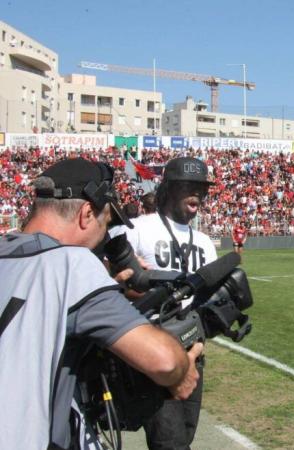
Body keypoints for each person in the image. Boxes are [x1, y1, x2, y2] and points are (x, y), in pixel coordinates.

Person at [0, 158, 202, 450]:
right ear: (86, 214)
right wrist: (183, 369)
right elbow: (163, 361)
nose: (104, 237)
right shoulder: (72, 264)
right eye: (106, 223)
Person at [117, 156, 217, 450]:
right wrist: (134, 285)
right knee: (169, 443)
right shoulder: (136, 229)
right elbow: (111, 278)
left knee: (184, 435)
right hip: (155, 348)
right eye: (189, 186)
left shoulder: (205, 241)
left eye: (202, 188)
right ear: (169, 189)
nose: (197, 193)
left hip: (193, 350)